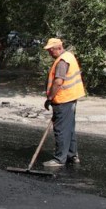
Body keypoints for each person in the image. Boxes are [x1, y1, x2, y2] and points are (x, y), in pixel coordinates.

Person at [42, 38, 86, 167]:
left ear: (59, 48)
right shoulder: (69, 56)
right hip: (71, 97)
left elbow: (58, 82)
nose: (49, 53)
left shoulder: (62, 61)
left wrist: (50, 97)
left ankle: (59, 159)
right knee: (69, 128)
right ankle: (72, 155)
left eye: (51, 50)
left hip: (63, 99)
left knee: (61, 129)